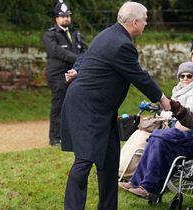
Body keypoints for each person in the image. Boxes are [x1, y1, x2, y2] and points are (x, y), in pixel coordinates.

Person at [60, 2, 170, 210]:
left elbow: (87, 57)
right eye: (145, 19)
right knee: (85, 160)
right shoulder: (121, 44)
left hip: (101, 110)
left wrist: (77, 69)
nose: (147, 23)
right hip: (87, 108)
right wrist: (162, 98)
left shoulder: (109, 34)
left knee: (109, 160)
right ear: (135, 21)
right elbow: (139, 77)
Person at [118, 66, 193, 198]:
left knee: (162, 136)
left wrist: (181, 114)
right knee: (157, 135)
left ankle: (149, 187)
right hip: (191, 127)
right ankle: (137, 182)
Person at [118, 62, 193, 178]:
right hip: (170, 124)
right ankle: (122, 167)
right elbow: (169, 110)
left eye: (189, 76)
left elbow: (188, 113)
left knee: (146, 136)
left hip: (181, 128)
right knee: (139, 132)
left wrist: (166, 113)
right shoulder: (178, 90)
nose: (185, 78)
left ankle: (128, 171)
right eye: (182, 76)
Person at [42, 1, 87, 145]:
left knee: (76, 104)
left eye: (68, 15)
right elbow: (57, 51)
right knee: (59, 104)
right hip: (57, 75)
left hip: (75, 73)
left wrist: (84, 59)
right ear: (56, 18)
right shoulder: (50, 35)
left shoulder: (76, 33)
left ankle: (73, 135)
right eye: (62, 16)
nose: (66, 18)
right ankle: (55, 137)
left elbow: (86, 50)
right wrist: (78, 58)